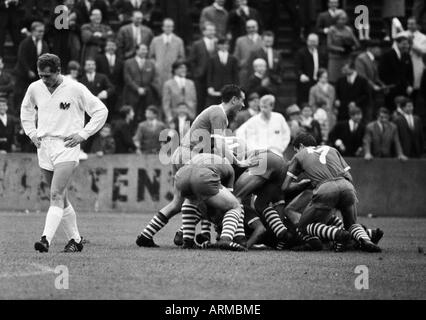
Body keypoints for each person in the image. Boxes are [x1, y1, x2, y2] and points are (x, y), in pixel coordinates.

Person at [136, 84, 254, 247]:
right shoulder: (219, 113)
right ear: (234, 100)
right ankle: (223, 236)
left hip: (181, 154)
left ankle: (146, 235)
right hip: (190, 156)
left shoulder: (215, 112)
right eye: (242, 101)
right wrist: (238, 161)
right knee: (211, 197)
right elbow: (220, 145)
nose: (244, 105)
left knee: (178, 202)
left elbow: (218, 144)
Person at [20, 53, 108, 253]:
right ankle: (76, 241)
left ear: (59, 71)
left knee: (55, 193)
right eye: (41, 75)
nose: (44, 80)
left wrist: (83, 134)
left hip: (67, 146)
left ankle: (45, 240)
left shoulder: (75, 88)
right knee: (62, 197)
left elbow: (101, 111)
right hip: (44, 146)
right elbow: (26, 111)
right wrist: (31, 133)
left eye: (48, 76)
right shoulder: (34, 88)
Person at [282, 133, 382, 252]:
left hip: (324, 189)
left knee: (303, 226)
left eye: (296, 150)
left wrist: (302, 185)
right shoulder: (332, 149)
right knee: (350, 225)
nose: (295, 153)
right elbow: (349, 177)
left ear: (301, 146)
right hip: (347, 186)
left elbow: (285, 187)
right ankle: (367, 239)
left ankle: (338, 235)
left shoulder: (300, 155)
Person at [13, 21, 49, 114]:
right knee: (19, 94)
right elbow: (22, 58)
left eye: (43, 31)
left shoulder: (44, 44)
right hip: (22, 74)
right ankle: (17, 114)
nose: (41, 33)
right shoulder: (25, 43)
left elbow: (45, 59)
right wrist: (28, 70)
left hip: (36, 75)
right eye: (39, 31)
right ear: (32, 31)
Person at [123, 43, 157, 123]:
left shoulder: (151, 63)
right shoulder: (128, 62)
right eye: (142, 49)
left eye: (146, 50)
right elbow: (127, 78)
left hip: (147, 94)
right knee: (132, 115)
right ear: (137, 50)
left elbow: (153, 78)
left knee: (146, 115)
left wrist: (145, 89)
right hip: (132, 93)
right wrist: (137, 88)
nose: (145, 51)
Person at [379, 33, 414, 111]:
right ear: (397, 44)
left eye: (407, 44)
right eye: (404, 44)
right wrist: (388, 86)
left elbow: (410, 73)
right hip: (391, 90)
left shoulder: (407, 56)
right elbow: (382, 73)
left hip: (404, 90)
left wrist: (410, 85)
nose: (406, 46)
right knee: (391, 110)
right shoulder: (387, 55)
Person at [149, 18, 185, 93]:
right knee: (159, 92)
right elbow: (151, 56)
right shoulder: (155, 40)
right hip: (159, 72)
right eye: (167, 26)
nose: (169, 28)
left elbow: (181, 57)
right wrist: (156, 65)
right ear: (163, 27)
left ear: (173, 28)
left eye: (170, 26)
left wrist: (176, 67)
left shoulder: (178, 41)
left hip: (172, 72)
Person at [189, 22, 217, 114]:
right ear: (204, 32)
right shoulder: (197, 44)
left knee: (213, 102)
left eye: (213, 30)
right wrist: (196, 73)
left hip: (214, 77)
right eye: (209, 30)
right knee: (200, 100)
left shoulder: (218, 43)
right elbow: (192, 61)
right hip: (201, 77)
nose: (212, 32)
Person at [354, 39, 385, 122]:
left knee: (374, 112)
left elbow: (376, 77)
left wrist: (382, 85)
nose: (379, 50)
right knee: (367, 114)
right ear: (370, 48)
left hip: (372, 92)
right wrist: (373, 85)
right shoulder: (361, 59)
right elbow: (362, 77)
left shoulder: (373, 59)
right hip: (363, 92)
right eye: (377, 48)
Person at [327, 10, 359, 83]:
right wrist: (341, 49)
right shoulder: (332, 30)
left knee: (346, 81)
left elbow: (357, 44)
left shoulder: (348, 29)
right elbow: (329, 45)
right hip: (335, 58)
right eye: (341, 19)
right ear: (336, 20)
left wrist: (351, 48)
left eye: (345, 19)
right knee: (335, 81)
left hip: (347, 59)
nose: (343, 21)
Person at [206, 38, 238, 106]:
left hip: (229, 86)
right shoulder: (212, 58)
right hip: (215, 87)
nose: (224, 46)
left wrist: (236, 87)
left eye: (226, 44)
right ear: (218, 46)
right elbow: (209, 73)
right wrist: (210, 86)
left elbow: (235, 74)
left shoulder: (233, 58)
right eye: (222, 44)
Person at [296, 33, 324, 105]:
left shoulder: (321, 52)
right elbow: (297, 67)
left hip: (318, 82)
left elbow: (323, 66)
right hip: (305, 82)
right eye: (311, 41)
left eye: (314, 41)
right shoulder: (301, 52)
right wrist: (301, 75)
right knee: (304, 102)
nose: (313, 43)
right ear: (307, 41)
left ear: (318, 42)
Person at [233, 19, 263, 86]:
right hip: (244, 73)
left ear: (257, 27)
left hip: (260, 73)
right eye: (248, 27)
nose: (251, 29)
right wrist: (240, 63)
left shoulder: (263, 40)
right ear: (246, 29)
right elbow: (235, 57)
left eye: (253, 27)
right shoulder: (240, 40)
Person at [309, 68, 336, 135]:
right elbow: (311, 103)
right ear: (319, 77)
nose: (325, 79)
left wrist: (328, 108)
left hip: (329, 113)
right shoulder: (313, 89)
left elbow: (332, 101)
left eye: (326, 77)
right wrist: (317, 112)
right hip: (318, 113)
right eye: (322, 77)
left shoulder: (331, 88)